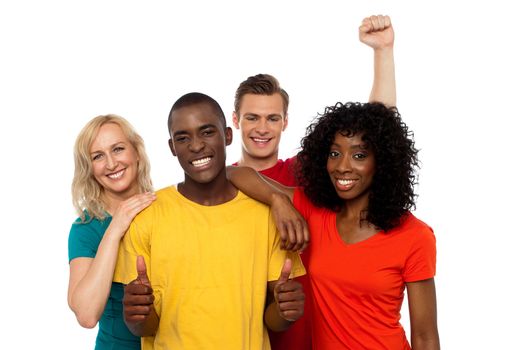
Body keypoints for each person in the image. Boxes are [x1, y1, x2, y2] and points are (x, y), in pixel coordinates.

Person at [231, 14, 396, 350]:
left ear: (285, 122)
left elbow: (376, 133)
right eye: (252, 117)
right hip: (252, 335)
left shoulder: (306, 173)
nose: (262, 127)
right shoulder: (220, 183)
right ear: (235, 120)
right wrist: (275, 200)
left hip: (318, 333)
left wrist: (383, 53)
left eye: (272, 118)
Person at [228, 102, 440, 349]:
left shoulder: (415, 235)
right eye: (334, 153)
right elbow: (234, 174)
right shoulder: (315, 211)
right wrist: (277, 200)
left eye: (359, 155)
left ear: (382, 161)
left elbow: (425, 337)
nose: (342, 166)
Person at [112, 92, 306, 350]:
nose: (196, 145)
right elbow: (145, 327)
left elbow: (272, 320)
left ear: (227, 135)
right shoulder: (147, 217)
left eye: (207, 132)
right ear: (172, 147)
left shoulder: (264, 216)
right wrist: (136, 316)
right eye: (183, 138)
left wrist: (285, 311)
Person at [67, 114, 157, 350]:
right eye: (98, 156)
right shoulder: (86, 228)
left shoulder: (166, 209)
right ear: (90, 168)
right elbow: (86, 315)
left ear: (136, 151)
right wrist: (116, 228)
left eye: (117, 149)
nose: (111, 164)